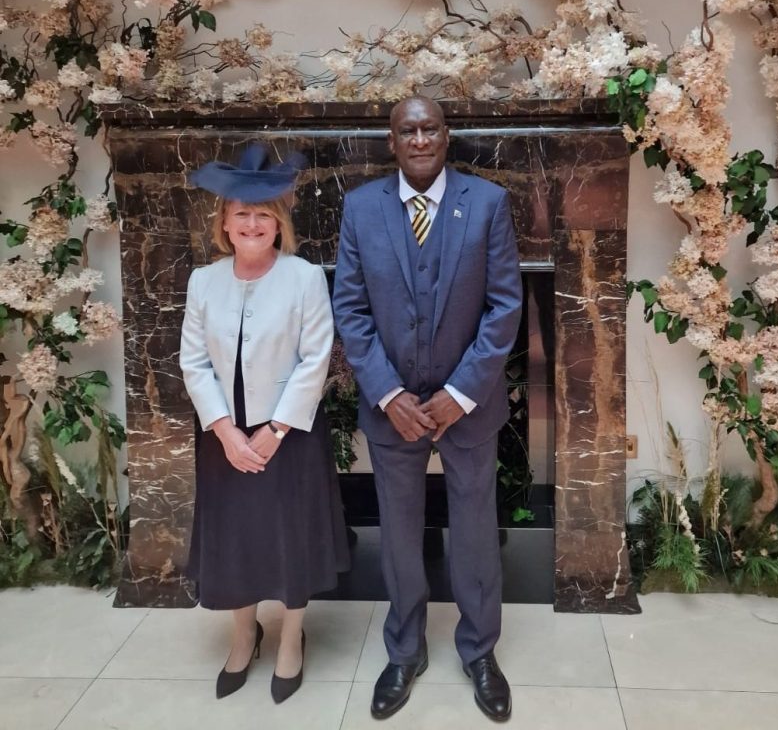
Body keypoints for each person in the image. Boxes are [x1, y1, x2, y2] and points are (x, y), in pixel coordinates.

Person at [332, 96, 522, 722]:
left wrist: (460, 393)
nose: (419, 139)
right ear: (392, 140)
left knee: (473, 530)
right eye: (407, 130)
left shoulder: (488, 204)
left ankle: (479, 652)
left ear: (447, 135)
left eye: (430, 128)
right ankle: (405, 649)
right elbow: (351, 310)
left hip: (469, 405)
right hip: (394, 408)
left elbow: (503, 308)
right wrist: (389, 394)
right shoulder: (361, 208)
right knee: (399, 534)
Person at [180, 143, 349, 704]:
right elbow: (194, 361)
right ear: (224, 222)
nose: (252, 223)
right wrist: (226, 431)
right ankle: (242, 632)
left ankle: (292, 637)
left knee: (288, 535)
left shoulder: (303, 278)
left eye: (264, 214)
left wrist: (274, 432)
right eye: (241, 213)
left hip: (289, 434)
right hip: (224, 435)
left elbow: (315, 357)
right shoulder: (204, 282)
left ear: (278, 224)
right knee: (235, 540)